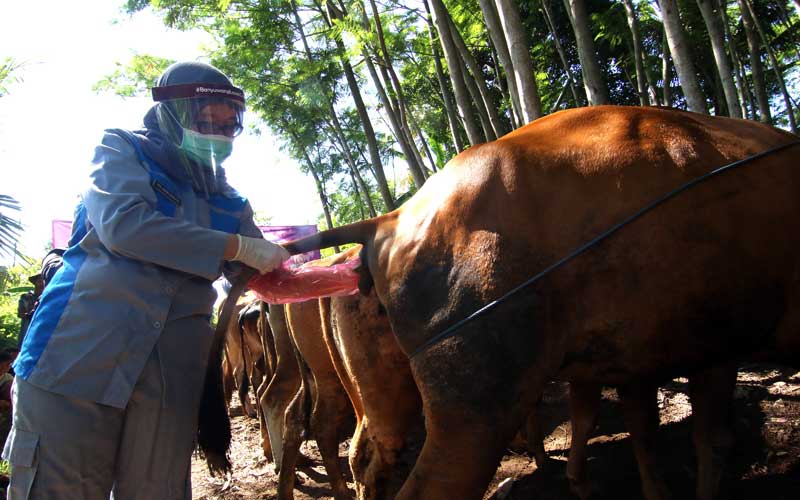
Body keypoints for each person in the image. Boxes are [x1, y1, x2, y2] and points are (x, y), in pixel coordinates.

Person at [2, 61, 290, 499]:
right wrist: (235, 247)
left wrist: (331, 277)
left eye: (231, 123)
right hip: (74, 362)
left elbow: (268, 276)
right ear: (172, 113)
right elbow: (125, 226)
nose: (221, 130)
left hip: (168, 381)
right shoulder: (121, 151)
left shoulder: (231, 201)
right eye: (208, 117)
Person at [15, 274, 43, 347]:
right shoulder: (26, 297)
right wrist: (29, 314)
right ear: (35, 283)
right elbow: (20, 313)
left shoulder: (46, 297)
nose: (42, 283)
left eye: (43, 281)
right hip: (27, 327)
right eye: (39, 281)